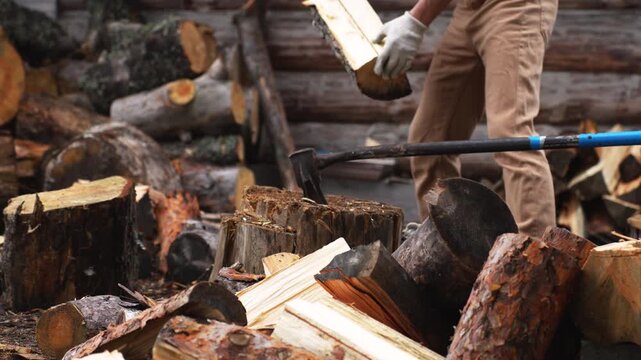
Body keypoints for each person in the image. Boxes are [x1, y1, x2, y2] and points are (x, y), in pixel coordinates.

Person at [373, 0, 558, 237]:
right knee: (429, 138)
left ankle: (536, 255)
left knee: (511, 135)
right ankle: (442, 246)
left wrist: (415, 20)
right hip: (468, 9)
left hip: (515, 7)